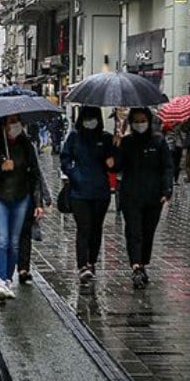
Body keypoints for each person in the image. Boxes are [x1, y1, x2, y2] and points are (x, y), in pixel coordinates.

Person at [0, 115, 49, 300]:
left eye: (17, 121)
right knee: (2, 240)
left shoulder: (26, 146)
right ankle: (0, 281)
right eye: (11, 122)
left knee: (14, 242)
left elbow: (35, 176)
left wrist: (38, 203)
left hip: (21, 198)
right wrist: (2, 168)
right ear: (3, 125)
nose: (15, 125)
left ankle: (8, 279)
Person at [115, 108, 173, 289]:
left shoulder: (158, 142)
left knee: (148, 232)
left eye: (143, 120)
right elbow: (116, 167)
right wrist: (116, 147)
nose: (140, 124)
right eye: (136, 121)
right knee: (134, 231)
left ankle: (143, 263)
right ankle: (136, 266)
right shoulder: (127, 142)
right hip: (130, 195)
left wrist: (166, 190)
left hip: (153, 196)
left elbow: (167, 167)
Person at [60, 105, 115, 284]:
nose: (90, 121)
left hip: (100, 191)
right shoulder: (74, 137)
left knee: (96, 228)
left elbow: (113, 163)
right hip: (79, 192)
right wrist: (73, 174)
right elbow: (65, 158)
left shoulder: (105, 138)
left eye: (93, 117)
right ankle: (82, 265)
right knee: (84, 227)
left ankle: (92, 261)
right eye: (87, 117)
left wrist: (114, 153)